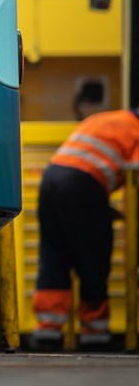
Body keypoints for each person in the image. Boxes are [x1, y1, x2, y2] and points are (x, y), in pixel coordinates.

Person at [32, 108, 139, 347]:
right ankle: (95, 333)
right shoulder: (136, 129)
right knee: (93, 256)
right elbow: (135, 175)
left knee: (54, 253)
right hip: (83, 185)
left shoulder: (109, 118)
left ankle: (48, 331)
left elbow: (84, 162)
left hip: (51, 180)